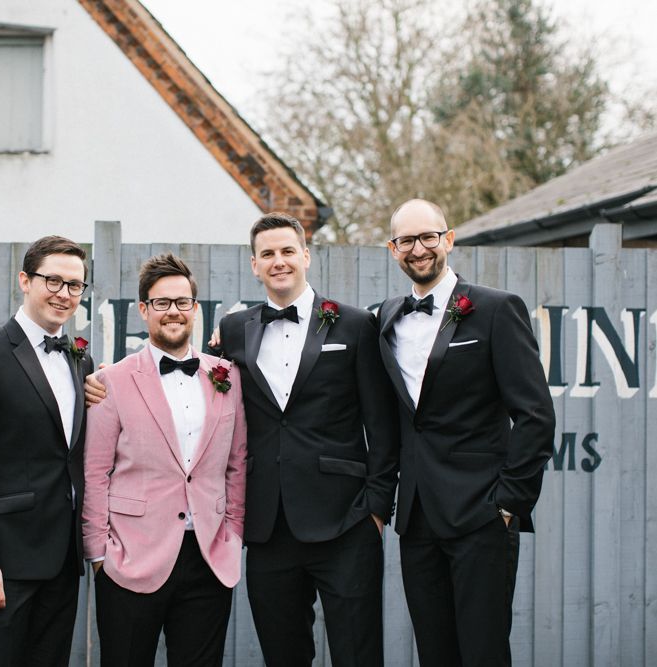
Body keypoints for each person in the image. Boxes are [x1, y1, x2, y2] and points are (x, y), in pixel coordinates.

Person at [378, 199, 555, 667]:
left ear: (448, 239)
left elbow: (535, 414)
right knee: (435, 653)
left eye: (428, 237)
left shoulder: (496, 310)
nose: (418, 249)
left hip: (481, 516)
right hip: (417, 519)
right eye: (406, 241)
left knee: (483, 652)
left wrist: (508, 503)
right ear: (392, 249)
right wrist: (226, 338)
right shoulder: (386, 318)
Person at [218, 212, 398, 666]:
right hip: (268, 525)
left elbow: (382, 423)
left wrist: (376, 508)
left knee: (357, 653)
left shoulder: (355, 325)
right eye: (267, 254)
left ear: (306, 256)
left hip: (346, 522)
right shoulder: (235, 330)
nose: (278, 261)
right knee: (283, 654)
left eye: (286, 251)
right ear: (254, 265)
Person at [82, 252, 246, 667]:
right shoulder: (111, 381)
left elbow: (237, 462)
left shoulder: (226, 377)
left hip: (208, 557)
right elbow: (95, 472)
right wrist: (99, 554)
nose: (172, 311)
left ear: (195, 308)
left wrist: (233, 533)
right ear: (143, 310)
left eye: (182, 302)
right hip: (130, 557)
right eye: (161, 303)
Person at [0, 235, 94, 666]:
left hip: (64, 559)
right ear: (24, 280)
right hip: (5, 563)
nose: (64, 294)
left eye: (74, 285)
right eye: (53, 280)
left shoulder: (79, 359)